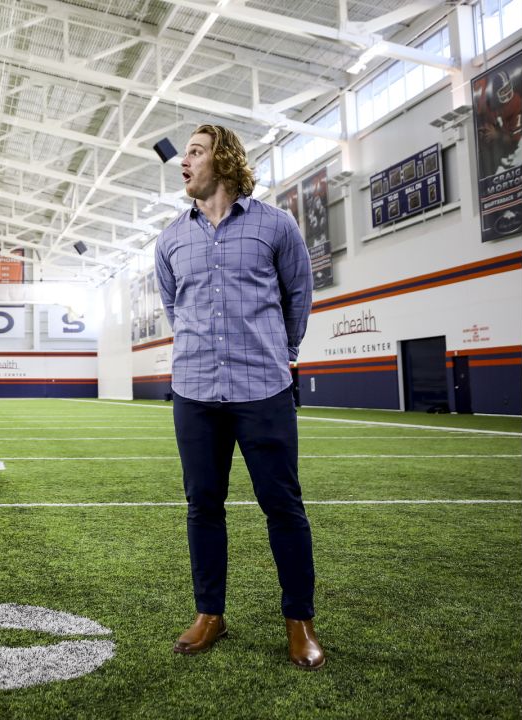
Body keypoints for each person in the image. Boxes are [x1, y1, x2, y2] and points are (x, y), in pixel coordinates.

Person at [154, 124, 324, 669]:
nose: (184, 164)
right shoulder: (170, 239)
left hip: (263, 388)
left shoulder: (276, 225)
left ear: (223, 160)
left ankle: (300, 621)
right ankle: (210, 614)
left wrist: (281, 353)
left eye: (195, 153)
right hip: (196, 391)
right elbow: (174, 307)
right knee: (203, 505)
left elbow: (298, 295)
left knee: (283, 506)